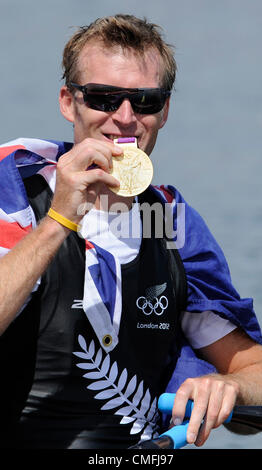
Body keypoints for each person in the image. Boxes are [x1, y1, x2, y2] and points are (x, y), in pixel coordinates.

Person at [0, 14, 262, 450]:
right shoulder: (16, 189)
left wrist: (227, 387)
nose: (125, 119)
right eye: (104, 98)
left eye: (144, 101)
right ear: (69, 102)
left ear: (164, 111)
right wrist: (60, 220)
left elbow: (253, 369)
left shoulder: (173, 222)